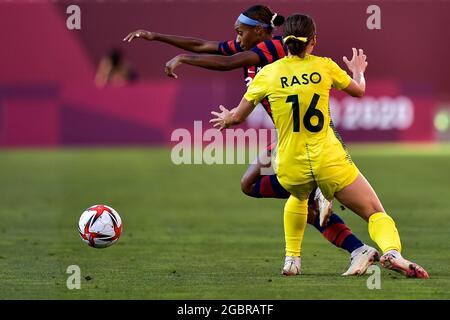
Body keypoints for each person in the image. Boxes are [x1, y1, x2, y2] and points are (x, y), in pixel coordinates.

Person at [124, 5, 378, 276]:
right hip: (288, 139)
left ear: (259, 31)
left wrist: (184, 59)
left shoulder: (274, 49)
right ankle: (353, 244)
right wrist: (154, 36)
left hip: (307, 141)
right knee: (251, 184)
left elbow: (226, 63)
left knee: (280, 192)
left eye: (240, 32)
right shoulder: (251, 50)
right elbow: (203, 45)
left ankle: (326, 215)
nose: (236, 37)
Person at [210, 13, 429, 279]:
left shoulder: (267, 74)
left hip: (291, 162)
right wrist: (358, 71)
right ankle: (393, 252)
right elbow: (358, 91)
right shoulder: (324, 66)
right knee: (374, 212)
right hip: (329, 158)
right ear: (313, 41)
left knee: (298, 197)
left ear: (285, 41)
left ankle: (292, 260)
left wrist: (226, 118)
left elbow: (237, 117)